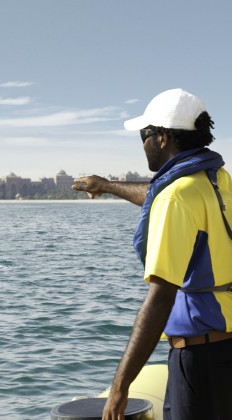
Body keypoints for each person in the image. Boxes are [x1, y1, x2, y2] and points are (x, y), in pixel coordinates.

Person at [73, 88, 232, 420]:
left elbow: (161, 297)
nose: (142, 144)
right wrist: (106, 185)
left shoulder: (177, 197)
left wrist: (120, 388)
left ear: (161, 138)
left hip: (200, 361)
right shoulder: (217, 179)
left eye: (144, 135)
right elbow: (159, 195)